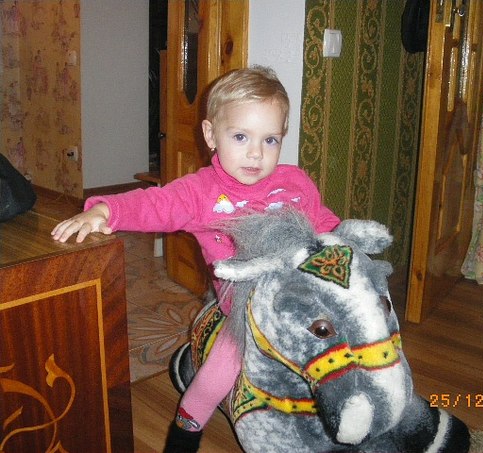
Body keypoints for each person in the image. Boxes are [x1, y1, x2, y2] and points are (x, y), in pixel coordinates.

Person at [51, 66, 340, 452]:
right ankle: (186, 430)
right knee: (222, 367)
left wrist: (346, 250)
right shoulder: (201, 192)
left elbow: (325, 225)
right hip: (246, 310)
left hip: (306, 297)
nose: (256, 153)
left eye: (270, 140)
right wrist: (105, 210)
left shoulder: (295, 183)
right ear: (210, 135)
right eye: (241, 137)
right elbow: (155, 203)